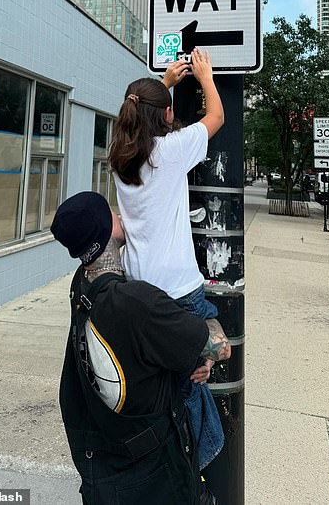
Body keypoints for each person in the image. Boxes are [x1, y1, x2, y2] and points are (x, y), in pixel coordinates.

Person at [51, 191, 231, 505]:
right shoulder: (137, 303)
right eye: (113, 212)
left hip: (107, 471)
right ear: (107, 230)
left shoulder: (81, 285)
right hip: (154, 480)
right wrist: (206, 322)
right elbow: (219, 347)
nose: (121, 215)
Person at [108, 47, 226, 469]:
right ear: (165, 117)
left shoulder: (122, 156)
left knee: (159, 381)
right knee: (191, 381)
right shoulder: (170, 151)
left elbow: (141, 111)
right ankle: (193, 466)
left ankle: (167, 463)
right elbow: (215, 119)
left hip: (137, 286)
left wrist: (165, 84)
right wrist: (207, 78)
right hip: (178, 290)